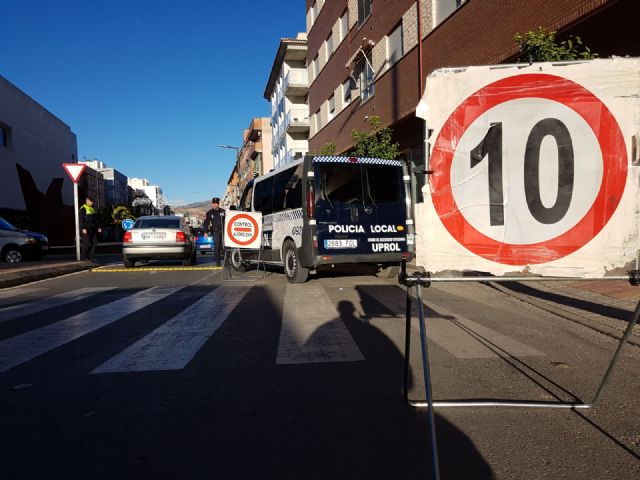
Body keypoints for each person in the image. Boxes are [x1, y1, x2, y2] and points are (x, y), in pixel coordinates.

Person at [203, 197, 225, 266]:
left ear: (218, 204)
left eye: (216, 203)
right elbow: (206, 223)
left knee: (225, 247)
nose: (215, 205)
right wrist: (205, 232)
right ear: (212, 204)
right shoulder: (209, 213)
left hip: (224, 232)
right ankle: (218, 261)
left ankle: (226, 261)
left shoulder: (223, 211)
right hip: (216, 232)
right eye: (214, 203)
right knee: (217, 247)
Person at [79, 196, 102, 261]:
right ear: (87, 200)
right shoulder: (83, 208)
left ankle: (91, 257)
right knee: (86, 243)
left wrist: (99, 227)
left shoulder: (92, 208)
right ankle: (84, 257)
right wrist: (83, 228)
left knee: (94, 242)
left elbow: (96, 219)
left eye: (92, 201)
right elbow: (81, 220)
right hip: (86, 229)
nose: (92, 203)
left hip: (93, 229)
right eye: (91, 201)